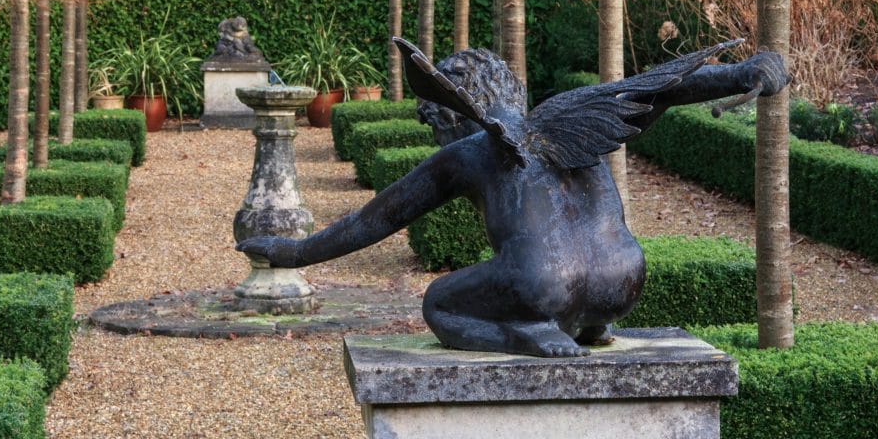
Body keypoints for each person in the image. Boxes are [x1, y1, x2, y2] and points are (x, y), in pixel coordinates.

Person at [238, 37, 787, 356]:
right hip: (624, 278)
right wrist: (741, 73)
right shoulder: (574, 111)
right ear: (513, 89)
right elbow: (664, 88)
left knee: (438, 303)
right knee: (569, 277)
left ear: (451, 113)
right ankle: (592, 324)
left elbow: (373, 220)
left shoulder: (469, 151)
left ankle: (527, 336)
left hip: (541, 287)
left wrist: (294, 252)